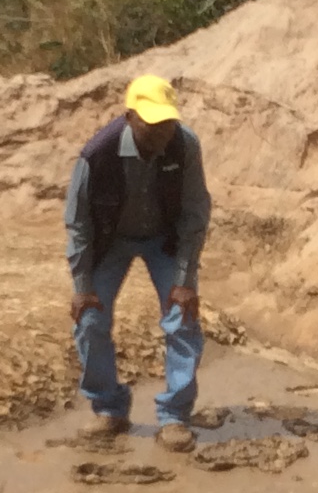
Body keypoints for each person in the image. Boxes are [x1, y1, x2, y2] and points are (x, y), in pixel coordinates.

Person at [64, 73, 211, 448]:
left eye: (167, 122)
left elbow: (194, 213)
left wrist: (184, 279)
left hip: (165, 239)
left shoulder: (185, 145)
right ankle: (108, 409)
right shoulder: (97, 154)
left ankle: (175, 416)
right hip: (111, 240)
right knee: (90, 320)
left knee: (182, 317)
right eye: (152, 123)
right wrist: (82, 286)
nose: (162, 132)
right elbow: (78, 223)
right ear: (130, 117)